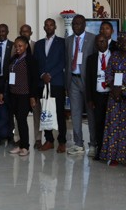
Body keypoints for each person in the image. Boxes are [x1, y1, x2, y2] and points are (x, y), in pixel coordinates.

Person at [99, 32, 126, 166]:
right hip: (114, 94)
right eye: (122, 41)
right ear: (118, 43)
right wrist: (114, 88)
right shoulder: (114, 56)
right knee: (114, 124)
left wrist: (122, 88)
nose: (124, 43)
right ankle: (113, 156)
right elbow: (108, 73)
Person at [64, 14, 96, 156]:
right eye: (74, 24)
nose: (76, 26)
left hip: (88, 81)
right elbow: (67, 62)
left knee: (90, 113)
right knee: (75, 113)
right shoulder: (68, 40)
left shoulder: (93, 39)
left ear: (84, 25)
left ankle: (93, 144)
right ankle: (78, 144)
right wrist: (66, 83)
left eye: (79, 24)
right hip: (73, 80)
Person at [35, 18, 67, 153]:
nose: (49, 27)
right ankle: (49, 140)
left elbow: (63, 61)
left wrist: (50, 75)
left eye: (51, 25)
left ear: (55, 27)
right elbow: (36, 62)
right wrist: (43, 75)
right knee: (45, 112)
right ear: (44, 27)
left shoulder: (62, 42)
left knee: (59, 112)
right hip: (42, 83)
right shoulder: (38, 44)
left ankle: (62, 141)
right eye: (46, 25)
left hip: (56, 82)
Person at [5, 36, 39, 156]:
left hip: (25, 95)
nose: (17, 48)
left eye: (20, 46)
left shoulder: (30, 59)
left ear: (26, 46)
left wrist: (33, 96)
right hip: (13, 94)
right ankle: (20, 145)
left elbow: (34, 79)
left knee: (22, 119)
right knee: (18, 120)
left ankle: (25, 147)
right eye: (16, 46)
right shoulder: (14, 59)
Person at [85, 35, 111, 161]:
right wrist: (89, 99)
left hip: (111, 96)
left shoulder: (114, 56)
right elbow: (88, 80)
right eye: (99, 42)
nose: (101, 44)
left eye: (103, 41)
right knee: (99, 124)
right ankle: (100, 151)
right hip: (98, 96)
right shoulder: (91, 59)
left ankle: (111, 151)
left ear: (107, 42)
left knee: (111, 124)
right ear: (95, 44)